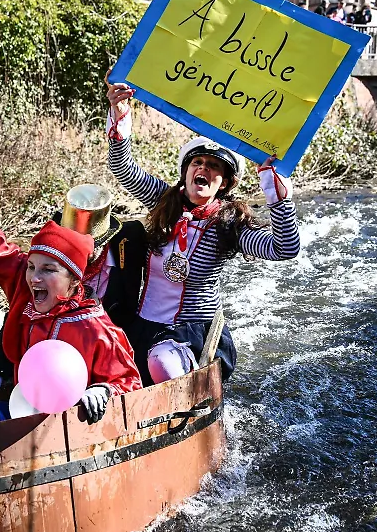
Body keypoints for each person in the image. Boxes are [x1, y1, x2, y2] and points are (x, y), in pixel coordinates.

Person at [0, 131, 142, 426]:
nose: (35, 277)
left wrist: (104, 389)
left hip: (70, 427)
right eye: (33, 267)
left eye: (47, 270)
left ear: (76, 277)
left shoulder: (98, 328)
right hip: (18, 406)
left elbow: (128, 381)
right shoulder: (29, 279)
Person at [105, 79, 300, 386]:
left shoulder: (227, 222)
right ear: (186, 171)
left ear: (223, 182)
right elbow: (122, 167)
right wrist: (120, 114)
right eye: (198, 162)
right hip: (144, 324)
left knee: (163, 365)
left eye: (213, 166)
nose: (204, 169)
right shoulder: (163, 200)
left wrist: (279, 199)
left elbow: (284, 249)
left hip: (191, 333)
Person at [0, 185, 149, 394]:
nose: (78, 247)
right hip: (37, 359)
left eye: (86, 244)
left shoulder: (129, 248)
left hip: (101, 359)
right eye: (71, 240)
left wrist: (107, 386)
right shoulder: (39, 269)